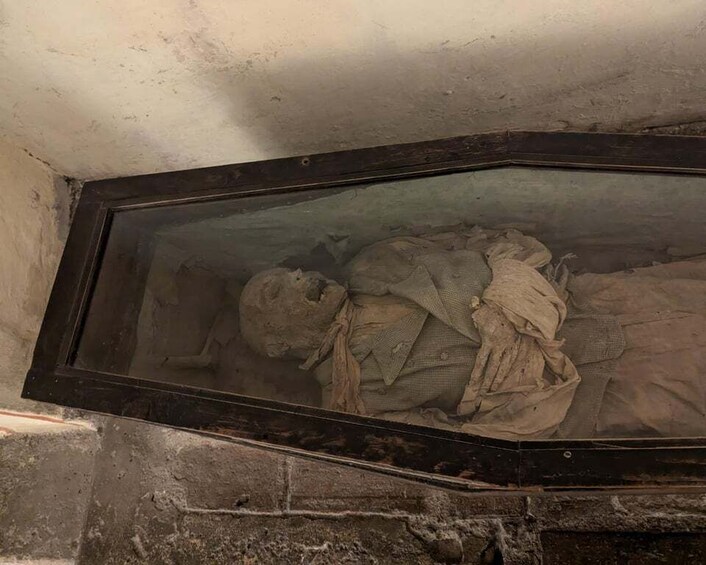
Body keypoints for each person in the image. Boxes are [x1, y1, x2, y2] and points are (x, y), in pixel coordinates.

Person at [239, 226, 705, 439]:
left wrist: (506, 304)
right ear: (280, 345)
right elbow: (475, 444)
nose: (299, 277)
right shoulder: (354, 406)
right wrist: (523, 383)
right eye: (278, 292)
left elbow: (501, 242)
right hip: (602, 389)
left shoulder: (378, 261)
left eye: (291, 272)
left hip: (598, 301)